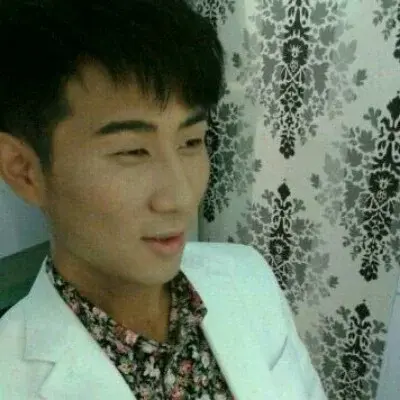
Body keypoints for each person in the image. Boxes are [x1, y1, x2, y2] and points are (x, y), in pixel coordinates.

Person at [0, 0, 327, 398]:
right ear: (24, 170)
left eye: (191, 141)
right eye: (132, 151)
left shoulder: (247, 276)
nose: (181, 197)